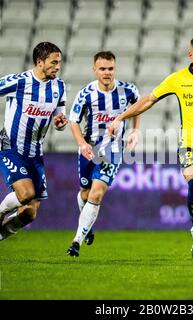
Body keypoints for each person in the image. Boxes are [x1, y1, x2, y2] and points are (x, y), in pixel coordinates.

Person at [108, 35, 193, 261]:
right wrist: (121, 117)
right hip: (190, 144)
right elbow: (148, 100)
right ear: (191, 55)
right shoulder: (178, 79)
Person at [0, 42, 68, 262]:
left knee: (29, 213)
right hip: (11, 147)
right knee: (25, 194)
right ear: (39, 62)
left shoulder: (59, 86)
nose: (57, 67)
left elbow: (59, 116)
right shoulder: (20, 82)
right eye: (53, 62)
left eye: (59, 62)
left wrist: (60, 121)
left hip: (35, 152)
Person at [67, 51, 140, 257]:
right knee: (85, 193)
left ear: (114, 69)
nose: (107, 73)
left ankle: (76, 242)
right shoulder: (86, 93)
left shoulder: (128, 90)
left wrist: (134, 130)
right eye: (102, 69)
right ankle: (87, 226)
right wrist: (82, 144)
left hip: (113, 150)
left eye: (110, 69)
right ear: (95, 70)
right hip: (89, 149)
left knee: (96, 194)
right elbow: (74, 121)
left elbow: (138, 108)